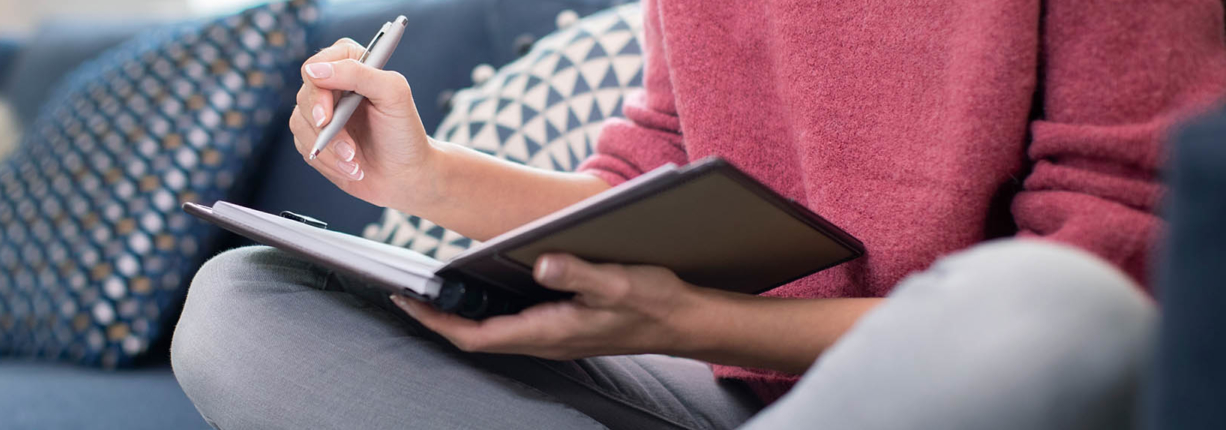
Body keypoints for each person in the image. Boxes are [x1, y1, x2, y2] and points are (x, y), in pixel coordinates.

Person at [171, 0, 1226, 428]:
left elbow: (1122, 262)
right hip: (717, 387)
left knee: (1057, 310)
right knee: (242, 302)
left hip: (931, 379)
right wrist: (422, 182)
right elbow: (650, 179)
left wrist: (690, 321)